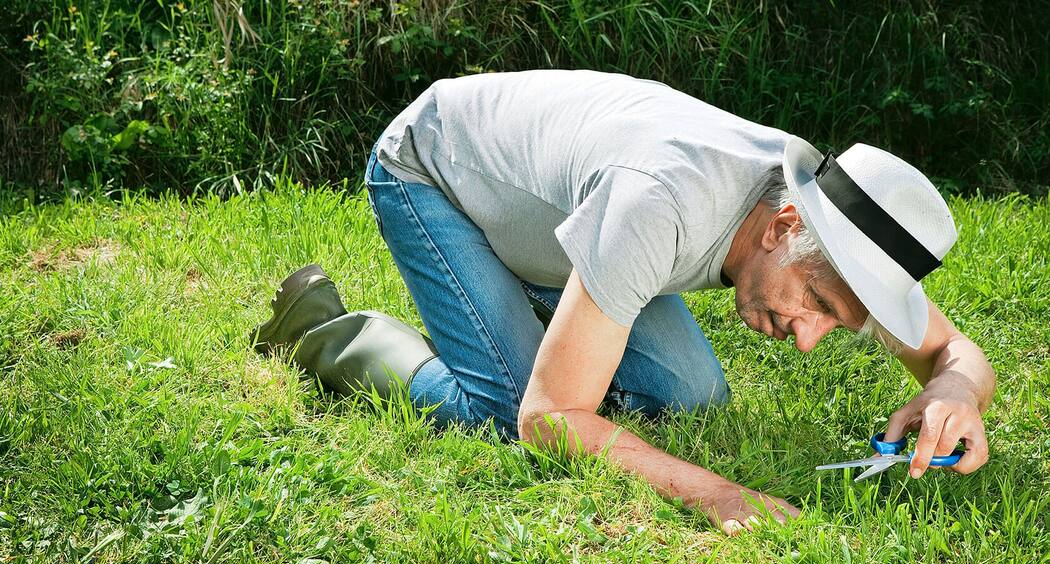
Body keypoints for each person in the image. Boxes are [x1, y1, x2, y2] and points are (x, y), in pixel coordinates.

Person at [249, 69, 995, 535]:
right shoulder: (663, 204)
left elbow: (956, 352)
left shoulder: (839, 224)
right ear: (783, 227)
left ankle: (544, 314)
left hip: (556, 217)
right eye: (817, 304)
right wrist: (718, 493)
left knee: (693, 394)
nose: (807, 338)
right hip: (436, 172)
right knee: (506, 407)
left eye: (835, 323)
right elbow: (549, 420)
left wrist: (953, 391)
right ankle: (322, 328)